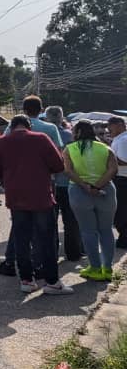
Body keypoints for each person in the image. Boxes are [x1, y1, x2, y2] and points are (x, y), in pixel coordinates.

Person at [0, 115, 73, 295]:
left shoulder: (1, 142)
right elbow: (59, 165)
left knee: (21, 239)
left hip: (15, 197)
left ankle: (26, 280)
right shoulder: (41, 138)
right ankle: (52, 281)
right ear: (29, 126)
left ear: (12, 127)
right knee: (47, 239)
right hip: (41, 195)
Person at [64, 120, 119, 282]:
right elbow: (113, 169)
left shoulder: (70, 149)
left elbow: (68, 170)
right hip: (106, 191)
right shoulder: (105, 148)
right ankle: (107, 268)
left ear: (77, 132)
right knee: (106, 230)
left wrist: (86, 186)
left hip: (80, 192)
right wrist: (98, 186)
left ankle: (94, 267)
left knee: (88, 231)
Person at [44, 106, 82, 261]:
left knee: (49, 221)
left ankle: (51, 253)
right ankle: (73, 253)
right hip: (69, 183)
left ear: (46, 117)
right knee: (71, 220)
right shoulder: (70, 136)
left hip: (48, 184)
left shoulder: (41, 135)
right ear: (62, 117)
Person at [107, 116, 127, 249]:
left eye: (111, 126)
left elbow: (124, 161)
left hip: (123, 179)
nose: (108, 129)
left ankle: (125, 239)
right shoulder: (119, 139)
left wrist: (107, 158)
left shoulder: (124, 140)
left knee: (122, 212)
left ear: (120, 124)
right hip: (119, 178)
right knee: (120, 211)